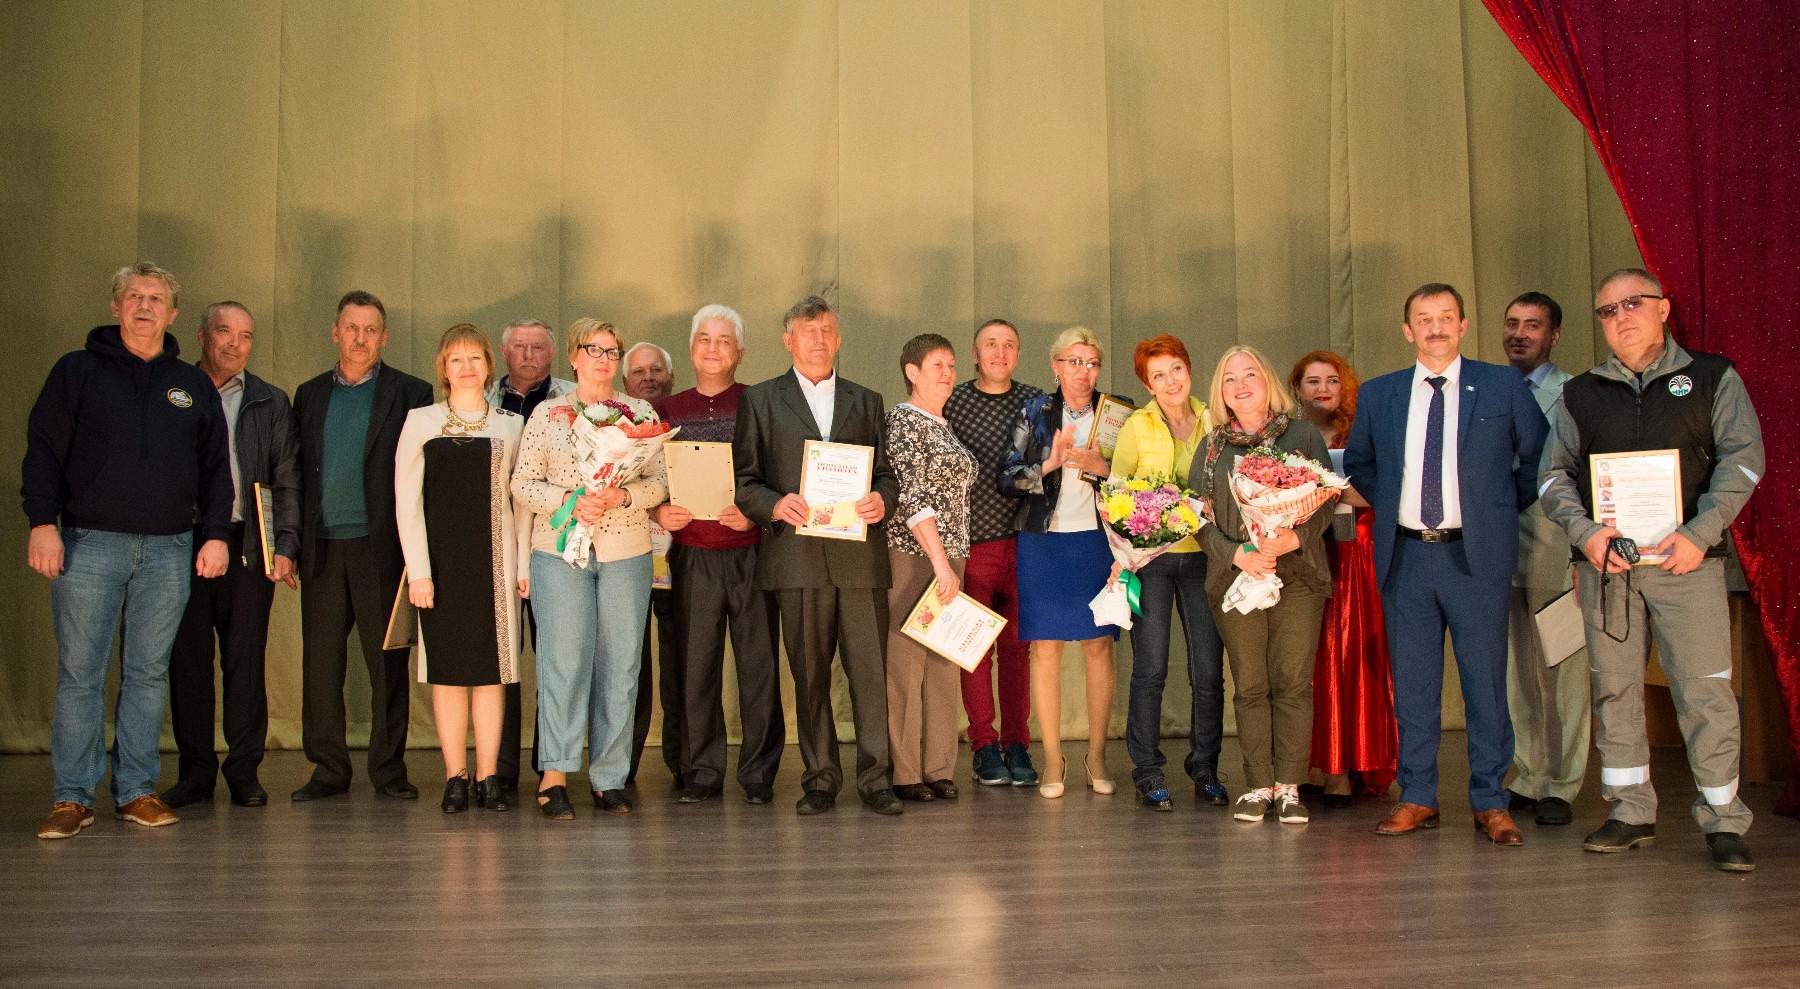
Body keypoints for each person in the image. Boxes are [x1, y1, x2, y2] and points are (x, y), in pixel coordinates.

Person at [1539, 268, 1763, 872]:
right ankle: (1630, 811)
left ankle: (1724, 820)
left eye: (1633, 304)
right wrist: (1586, 535)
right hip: (1609, 569)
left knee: (1705, 690)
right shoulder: (1580, 394)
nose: (1621, 317)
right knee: (1614, 690)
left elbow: (1744, 460)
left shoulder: (1713, 377)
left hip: (1689, 565)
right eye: (1607, 311)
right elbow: (1553, 477)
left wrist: (1699, 533)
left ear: (1663, 309)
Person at [26, 263, 231, 838]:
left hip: (170, 550)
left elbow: (217, 468)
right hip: (89, 544)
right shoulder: (76, 372)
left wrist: (216, 533)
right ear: (115, 306)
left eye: (156, 298)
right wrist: (42, 523)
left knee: (147, 674)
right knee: (80, 675)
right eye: (134, 296)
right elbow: (43, 450)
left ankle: (137, 790)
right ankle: (72, 798)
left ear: (172, 314)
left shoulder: (190, 385)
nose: (145, 306)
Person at [1343, 282, 1547, 846]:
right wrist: (1396, 505)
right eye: (1424, 318)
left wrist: (1496, 510)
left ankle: (1491, 800)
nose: (1435, 327)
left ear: (1462, 325)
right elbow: (1360, 463)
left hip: (1475, 558)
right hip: (1407, 557)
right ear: (1408, 330)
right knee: (1414, 687)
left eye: (1446, 317)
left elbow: (1540, 457)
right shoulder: (1381, 394)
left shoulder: (1502, 385)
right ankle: (1418, 795)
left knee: (1485, 684)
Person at [734, 295, 902, 816]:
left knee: (870, 674)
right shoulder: (761, 400)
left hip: (859, 559)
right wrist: (774, 504)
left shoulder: (867, 400)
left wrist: (883, 499)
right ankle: (820, 778)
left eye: (827, 330)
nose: (819, 339)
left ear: (839, 338)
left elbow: (887, 475)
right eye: (808, 331)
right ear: (788, 340)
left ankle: (876, 778)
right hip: (797, 558)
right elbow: (745, 482)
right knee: (809, 676)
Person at [512, 319, 667, 819]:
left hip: (627, 553)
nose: (603, 358)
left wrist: (623, 495)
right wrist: (570, 500)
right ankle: (554, 775)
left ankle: (609, 778)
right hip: (560, 554)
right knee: (563, 663)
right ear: (573, 357)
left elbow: (659, 484)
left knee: (621, 666)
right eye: (593, 349)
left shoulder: (640, 413)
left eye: (611, 350)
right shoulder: (548, 414)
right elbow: (523, 484)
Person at [291, 291, 433, 803]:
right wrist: (288, 544)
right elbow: (294, 475)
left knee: (386, 665)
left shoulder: (411, 393)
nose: (360, 338)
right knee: (321, 666)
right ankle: (328, 769)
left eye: (370, 329)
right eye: (351, 327)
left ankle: (388, 770)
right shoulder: (308, 395)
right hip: (322, 549)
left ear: (384, 337)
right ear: (335, 332)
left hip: (383, 550)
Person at [163, 301, 300, 810]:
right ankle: (196, 774)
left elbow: (286, 478)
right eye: (224, 332)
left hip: (248, 546)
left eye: (245, 336)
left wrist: (285, 545)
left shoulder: (270, 400)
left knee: (245, 663)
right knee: (188, 663)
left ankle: (244, 772)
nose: (235, 344)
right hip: (181, 542)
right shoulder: (173, 390)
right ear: (202, 335)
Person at [1191, 346, 1333, 825]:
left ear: (1267, 381)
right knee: (1250, 685)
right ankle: (1257, 785)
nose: (1241, 385)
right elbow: (1197, 517)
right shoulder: (1212, 447)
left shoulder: (1302, 435)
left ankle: (1289, 786)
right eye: (1230, 378)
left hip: (1298, 576)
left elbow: (1325, 501)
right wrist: (1238, 554)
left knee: (1292, 682)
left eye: (1250, 374)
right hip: (1237, 578)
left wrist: (1296, 537)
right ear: (1221, 391)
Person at [653, 304, 784, 805]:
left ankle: (759, 773)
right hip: (691, 555)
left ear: (740, 351)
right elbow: (648, 479)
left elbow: (780, 474)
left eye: (724, 340)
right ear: (691, 349)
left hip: (753, 553)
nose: (713, 348)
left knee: (758, 666)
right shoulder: (667, 411)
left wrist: (757, 514)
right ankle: (702, 770)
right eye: (704, 340)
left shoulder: (760, 402)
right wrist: (658, 511)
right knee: (696, 666)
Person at [396, 325, 527, 814]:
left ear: (489, 365)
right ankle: (456, 776)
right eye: (456, 359)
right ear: (443, 368)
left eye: (475, 357)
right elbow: (406, 502)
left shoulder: (511, 425)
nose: (466, 367)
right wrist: (419, 571)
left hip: (497, 567)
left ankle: (489, 778)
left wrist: (523, 564)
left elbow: (522, 504)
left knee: (493, 675)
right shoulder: (421, 421)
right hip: (441, 570)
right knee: (448, 675)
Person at [999, 326, 1124, 800]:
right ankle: (1053, 759)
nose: (1084, 372)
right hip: (1043, 542)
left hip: (1098, 543)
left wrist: (1102, 468)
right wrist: (1049, 464)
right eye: (1074, 362)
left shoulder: (1118, 413)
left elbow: (1141, 479)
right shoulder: (1034, 411)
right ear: (1055, 366)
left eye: (1091, 363)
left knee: (1098, 647)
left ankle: (1097, 756)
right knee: (1045, 649)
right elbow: (1008, 478)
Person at [1108, 334, 1228, 811]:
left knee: (1208, 672)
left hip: (1206, 558)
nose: (1170, 380)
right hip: (1151, 562)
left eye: (1176, 369)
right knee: (1151, 669)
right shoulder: (1136, 426)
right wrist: (1122, 554)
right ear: (1147, 384)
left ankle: (1206, 768)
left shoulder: (1216, 419)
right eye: (1158, 375)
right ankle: (1147, 771)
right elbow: (1116, 496)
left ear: (1189, 370)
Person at [1290, 350, 1397, 808]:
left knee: (1351, 654)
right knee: (1308, 660)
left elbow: (1385, 490)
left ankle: (1349, 765)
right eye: (1312, 381)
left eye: (1331, 380)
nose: (1322, 389)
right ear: (1297, 390)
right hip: (1305, 553)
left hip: (1356, 555)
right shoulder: (1286, 437)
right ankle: (1313, 763)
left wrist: (1328, 489)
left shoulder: (1364, 431)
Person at [1497, 292, 1587, 828]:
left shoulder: (1576, 393)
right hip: (1502, 543)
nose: (1519, 333)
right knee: (1518, 667)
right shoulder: (1491, 388)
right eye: (1512, 323)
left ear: (1554, 336)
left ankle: (1563, 783)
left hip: (1557, 542)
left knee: (1563, 666)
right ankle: (1528, 775)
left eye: (1533, 325)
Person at [943, 319, 1042, 786]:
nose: (1000, 353)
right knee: (974, 648)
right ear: (974, 353)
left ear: (1018, 353)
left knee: (1018, 649)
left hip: (1026, 543)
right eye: (991, 345)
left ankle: (1017, 743)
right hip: (973, 543)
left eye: (1009, 345)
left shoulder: (1037, 402)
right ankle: (984, 744)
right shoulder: (953, 400)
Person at [883, 334, 978, 803]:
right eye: (937, 364)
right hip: (915, 554)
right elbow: (911, 495)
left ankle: (939, 767)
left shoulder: (942, 424)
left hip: (950, 556)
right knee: (906, 663)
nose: (948, 373)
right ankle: (904, 772)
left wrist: (951, 562)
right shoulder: (903, 421)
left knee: (943, 661)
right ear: (912, 371)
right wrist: (940, 563)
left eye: (952, 365)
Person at [486, 317, 574, 797]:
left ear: (553, 353)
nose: (528, 355)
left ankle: (550, 764)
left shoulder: (572, 400)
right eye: (519, 346)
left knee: (554, 658)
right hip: (494, 542)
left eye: (538, 347)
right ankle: (500, 770)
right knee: (501, 658)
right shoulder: (481, 400)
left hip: (555, 544)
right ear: (504, 352)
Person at [623, 339, 682, 787]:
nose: (648, 378)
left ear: (671, 377)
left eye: (656, 370)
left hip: (681, 559)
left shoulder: (685, 420)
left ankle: (683, 762)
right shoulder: (612, 428)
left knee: (680, 664)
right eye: (639, 371)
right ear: (625, 381)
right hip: (627, 558)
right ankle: (623, 766)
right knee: (630, 667)